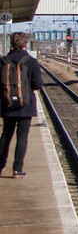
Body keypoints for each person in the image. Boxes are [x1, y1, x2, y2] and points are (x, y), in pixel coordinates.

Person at [0, 32, 43, 178]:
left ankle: (0, 165)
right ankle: (17, 169)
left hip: (8, 104)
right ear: (26, 44)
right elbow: (37, 85)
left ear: (11, 44)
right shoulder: (31, 61)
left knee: (6, 135)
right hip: (26, 105)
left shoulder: (3, 61)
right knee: (22, 136)